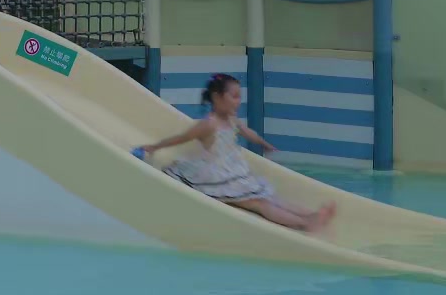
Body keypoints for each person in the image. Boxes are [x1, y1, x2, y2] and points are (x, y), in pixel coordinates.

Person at [139, 74, 337, 233]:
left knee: (271, 197)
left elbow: (247, 132)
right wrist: (155, 147)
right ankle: (305, 223)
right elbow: (181, 138)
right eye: (233, 96)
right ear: (217, 97)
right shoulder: (208, 124)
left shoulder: (232, 119)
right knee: (259, 204)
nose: (238, 101)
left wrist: (263, 143)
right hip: (217, 175)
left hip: (235, 171)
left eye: (239, 96)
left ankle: (312, 215)